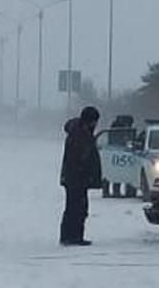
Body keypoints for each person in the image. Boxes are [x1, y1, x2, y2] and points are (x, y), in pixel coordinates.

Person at [60, 105, 102, 245]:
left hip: (76, 177)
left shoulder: (82, 133)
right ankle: (73, 237)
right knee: (77, 208)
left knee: (76, 207)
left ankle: (70, 236)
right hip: (76, 178)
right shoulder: (79, 135)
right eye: (94, 121)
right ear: (89, 120)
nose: (95, 124)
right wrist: (86, 171)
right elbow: (80, 158)